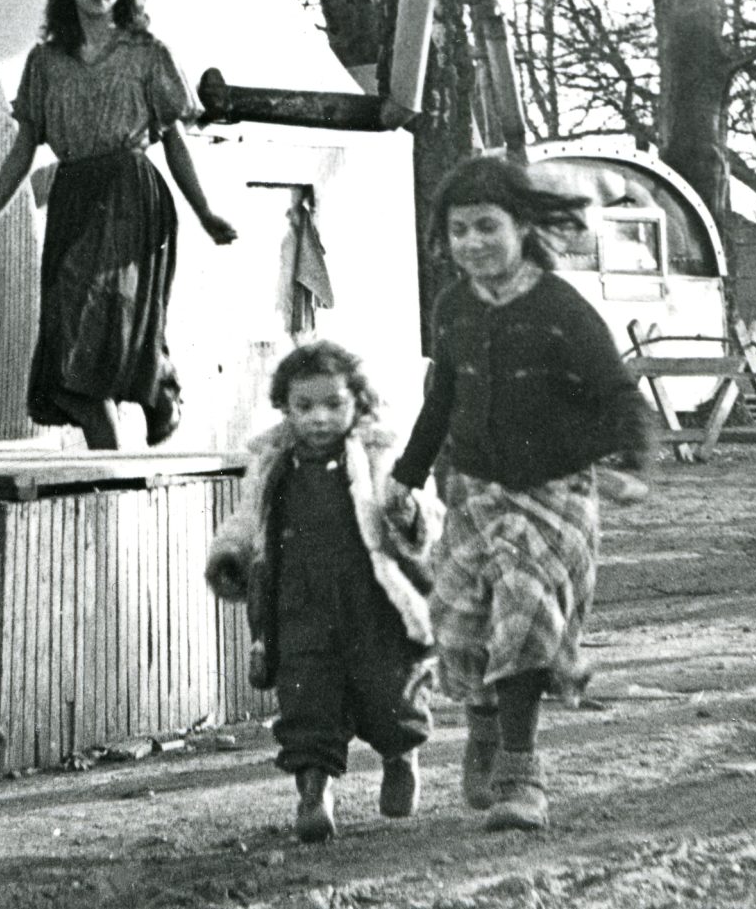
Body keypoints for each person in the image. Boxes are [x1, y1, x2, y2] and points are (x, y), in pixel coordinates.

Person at [391, 154, 653, 833]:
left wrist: (631, 462)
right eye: (459, 231)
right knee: (457, 619)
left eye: (488, 227)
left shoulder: (561, 308)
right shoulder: (452, 309)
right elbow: (441, 398)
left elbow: (618, 393)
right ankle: (484, 724)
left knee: (525, 605)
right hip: (476, 489)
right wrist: (407, 473)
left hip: (554, 490)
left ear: (523, 227)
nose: (473, 243)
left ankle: (521, 769)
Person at [0, 0, 237, 449]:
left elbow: (173, 139)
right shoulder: (46, 62)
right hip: (75, 196)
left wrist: (205, 211)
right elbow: (25, 149)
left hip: (131, 195)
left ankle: (153, 380)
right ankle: (147, 395)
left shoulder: (146, 54)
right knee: (69, 353)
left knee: (99, 319)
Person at [204, 339, 437, 842]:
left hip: (371, 603)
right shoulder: (273, 464)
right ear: (285, 407)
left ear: (358, 402)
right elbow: (250, 520)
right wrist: (231, 554)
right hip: (299, 605)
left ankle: (401, 758)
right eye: (304, 406)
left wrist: (408, 511)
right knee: (307, 698)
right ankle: (314, 794)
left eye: (334, 405)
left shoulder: (377, 452)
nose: (319, 418)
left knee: (388, 691)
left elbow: (415, 507)